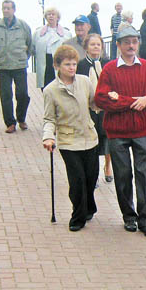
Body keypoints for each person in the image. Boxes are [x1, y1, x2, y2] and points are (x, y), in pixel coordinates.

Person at [94, 25, 146, 238]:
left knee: (142, 176)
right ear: (118, 45)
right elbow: (101, 99)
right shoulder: (109, 69)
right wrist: (132, 101)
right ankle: (129, 217)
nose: (131, 46)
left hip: (142, 132)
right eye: (126, 42)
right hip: (117, 133)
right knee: (123, 176)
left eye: (134, 42)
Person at [42, 45, 99, 232]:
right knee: (77, 180)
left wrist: (109, 100)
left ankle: (89, 205)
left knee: (91, 178)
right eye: (67, 64)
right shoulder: (50, 90)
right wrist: (48, 138)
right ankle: (78, 216)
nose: (72, 68)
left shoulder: (84, 82)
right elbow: (49, 118)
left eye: (74, 64)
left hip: (89, 137)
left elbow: (94, 103)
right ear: (57, 65)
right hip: (69, 141)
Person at [0, 0, 33, 134]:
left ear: (14, 10)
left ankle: (21, 118)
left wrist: (24, 57)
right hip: (3, 66)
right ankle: (10, 123)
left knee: (22, 94)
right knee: (6, 95)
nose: (6, 10)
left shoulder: (23, 26)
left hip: (19, 65)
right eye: (4, 8)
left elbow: (29, 44)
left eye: (8, 8)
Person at [76, 33, 113, 183]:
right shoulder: (81, 65)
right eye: (92, 44)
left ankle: (108, 166)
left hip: (106, 107)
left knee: (107, 137)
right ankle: (94, 172)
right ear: (86, 47)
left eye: (98, 44)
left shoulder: (108, 64)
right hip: (88, 107)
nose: (95, 47)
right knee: (92, 139)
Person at [32, 7, 73, 89]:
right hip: (45, 62)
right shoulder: (38, 33)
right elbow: (33, 48)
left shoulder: (67, 33)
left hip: (59, 63)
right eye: (48, 14)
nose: (51, 16)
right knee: (45, 87)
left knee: (59, 86)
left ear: (58, 17)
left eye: (53, 14)